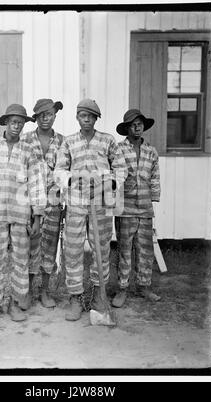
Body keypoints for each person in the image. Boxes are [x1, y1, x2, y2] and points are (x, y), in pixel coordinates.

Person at [0, 104, 45, 322]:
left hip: (21, 214)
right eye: (13, 122)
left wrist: (37, 217)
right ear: (5, 122)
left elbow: (37, 184)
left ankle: (15, 303)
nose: (16, 126)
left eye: (20, 123)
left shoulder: (29, 150)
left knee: (21, 259)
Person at [55, 99, 127, 321]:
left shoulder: (108, 141)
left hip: (101, 204)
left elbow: (121, 168)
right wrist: (73, 179)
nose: (86, 119)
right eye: (82, 115)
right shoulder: (68, 142)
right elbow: (59, 170)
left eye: (91, 116)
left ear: (96, 119)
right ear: (77, 117)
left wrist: (108, 183)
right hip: (76, 204)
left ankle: (98, 296)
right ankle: (76, 298)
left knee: (101, 249)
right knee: (73, 250)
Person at [112, 109, 161, 308]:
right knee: (124, 249)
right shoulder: (119, 149)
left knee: (145, 249)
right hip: (125, 208)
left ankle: (144, 286)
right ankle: (122, 288)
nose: (137, 127)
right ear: (127, 128)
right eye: (133, 124)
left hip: (145, 208)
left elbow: (155, 176)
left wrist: (154, 196)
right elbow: (117, 173)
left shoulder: (151, 151)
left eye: (140, 123)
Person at [22, 98, 64, 308]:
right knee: (31, 246)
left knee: (49, 247)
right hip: (30, 203)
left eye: (50, 114)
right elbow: (20, 172)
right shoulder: (26, 140)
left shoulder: (63, 141)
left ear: (55, 115)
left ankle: (45, 292)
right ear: (36, 118)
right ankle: (27, 291)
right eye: (41, 115)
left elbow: (67, 174)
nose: (46, 118)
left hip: (54, 202)